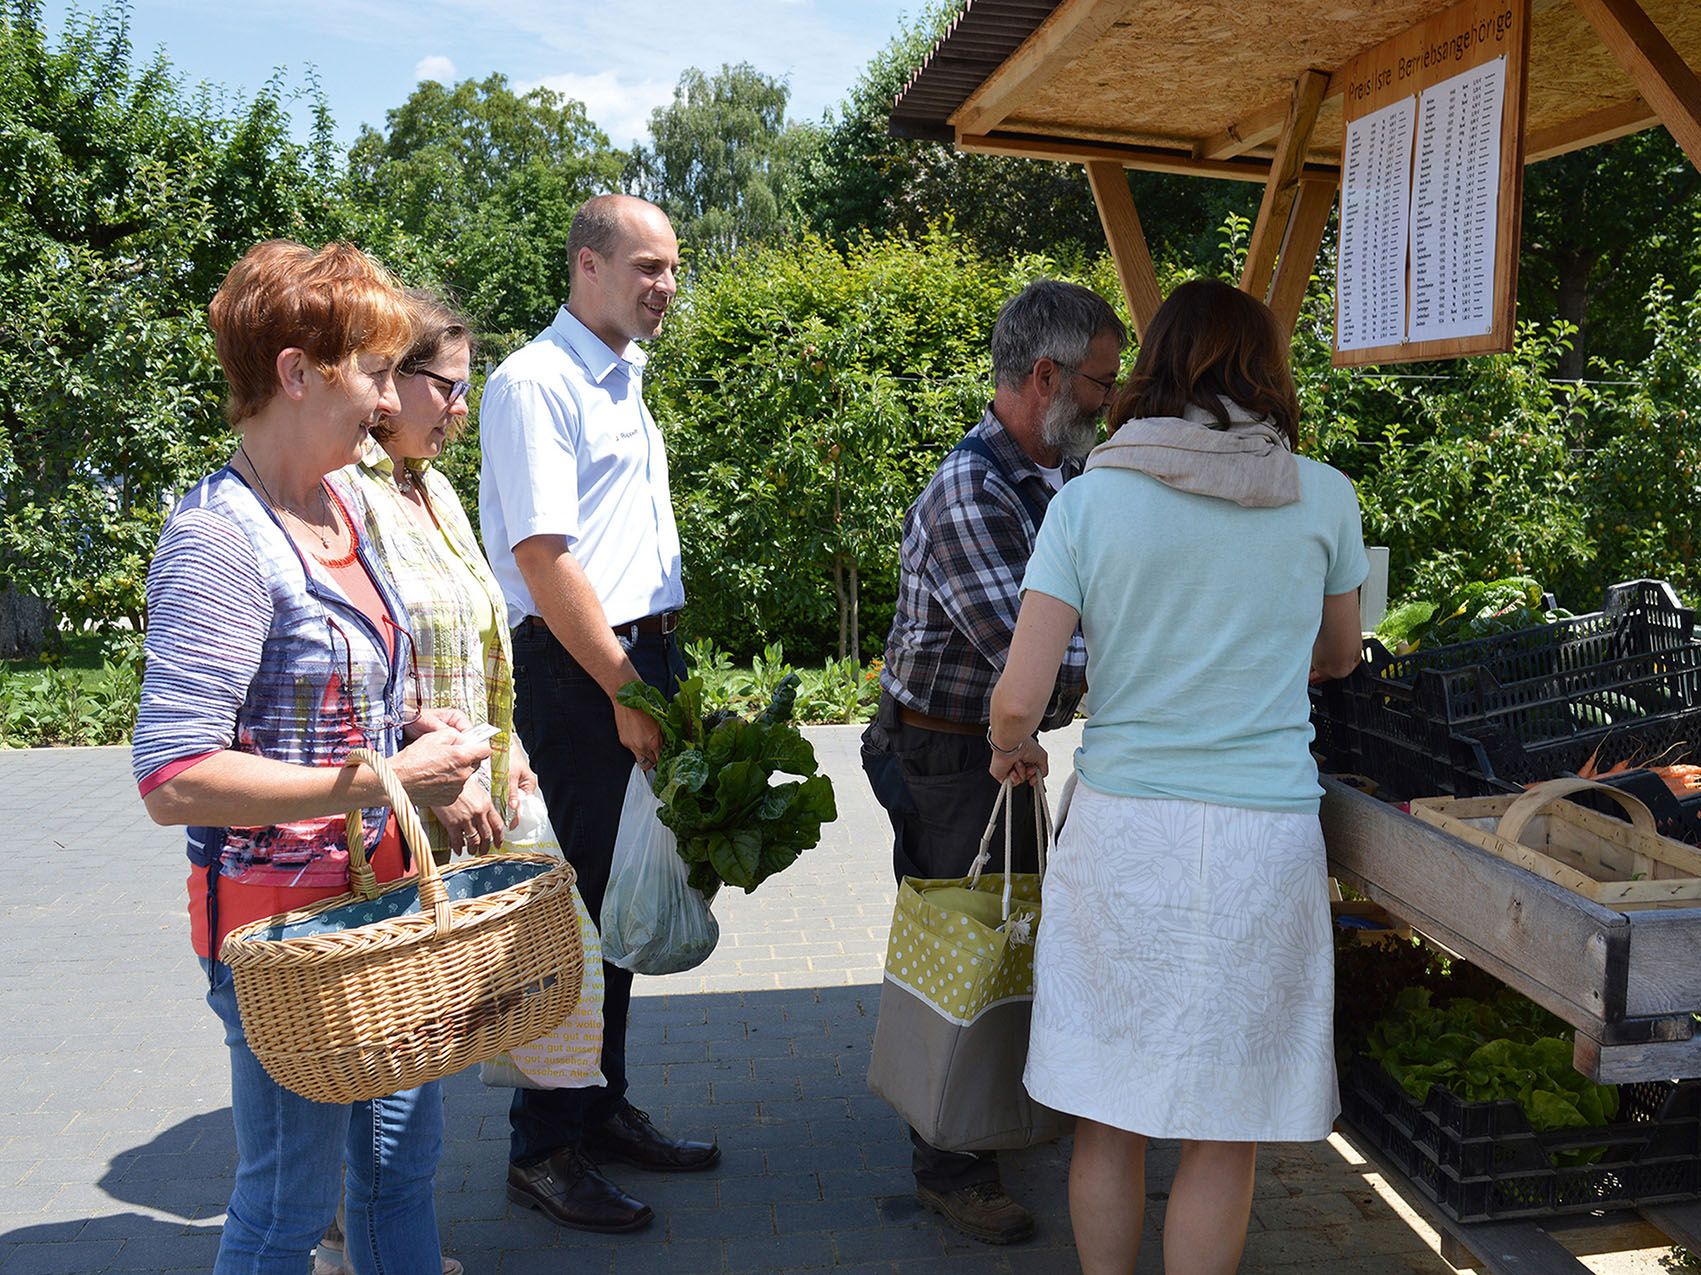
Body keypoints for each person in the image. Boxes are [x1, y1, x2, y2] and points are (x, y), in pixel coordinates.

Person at [987, 277, 1366, 1275]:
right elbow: (1339, 656)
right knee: (1223, 1125)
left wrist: (1011, 745)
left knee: (1109, 1116)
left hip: (1126, 836)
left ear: (1152, 368)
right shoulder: (1325, 496)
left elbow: (1020, 696)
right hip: (1263, 841)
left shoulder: (1089, 499)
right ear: (1266, 374)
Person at [132, 239, 491, 1274]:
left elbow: (345, 697)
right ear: (296, 372)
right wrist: (381, 780)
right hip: (282, 937)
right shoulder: (220, 539)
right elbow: (173, 777)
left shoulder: (340, 504)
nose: (389, 400)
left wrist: (413, 736)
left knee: (395, 1174)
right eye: (373, 372)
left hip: (376, 910)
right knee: (288, 1207)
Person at [861, 279, 1126, 1244]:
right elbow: (1036, 661)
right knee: (959, 950)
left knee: (1006, 934)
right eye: (1098, 381)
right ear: (1045, 375)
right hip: (941, 755)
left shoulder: (1048, 475)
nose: (1108, 398)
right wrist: (1133, 666)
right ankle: (947, 1158)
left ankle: (981, 1113)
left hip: (992, 749)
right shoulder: (972, 490)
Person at [479, 193, 718, 1236]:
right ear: (586, 265)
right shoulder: (538, 382)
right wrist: (626, 689)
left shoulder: (622, 379)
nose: (665, 285)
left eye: (672, 268)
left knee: (618, 904)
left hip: (631, 659)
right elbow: (543, 556)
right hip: (587, 671)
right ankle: (546, 1147)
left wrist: (650, 675)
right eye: (646, 267)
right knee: (574, 918)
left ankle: (600, 1107)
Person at [312, 291, 537, 1275]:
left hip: (461, 794)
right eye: (446, 385)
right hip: (394, 810)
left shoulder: (431, 489)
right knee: (382, 1046)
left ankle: (362, 1233)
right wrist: (434, 774)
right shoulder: (345, 492)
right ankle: (347, 1237)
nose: (459, 407)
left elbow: (478, 629)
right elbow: (352, 666)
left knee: (417, 1044)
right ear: (387, 382)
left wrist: (508, 743)